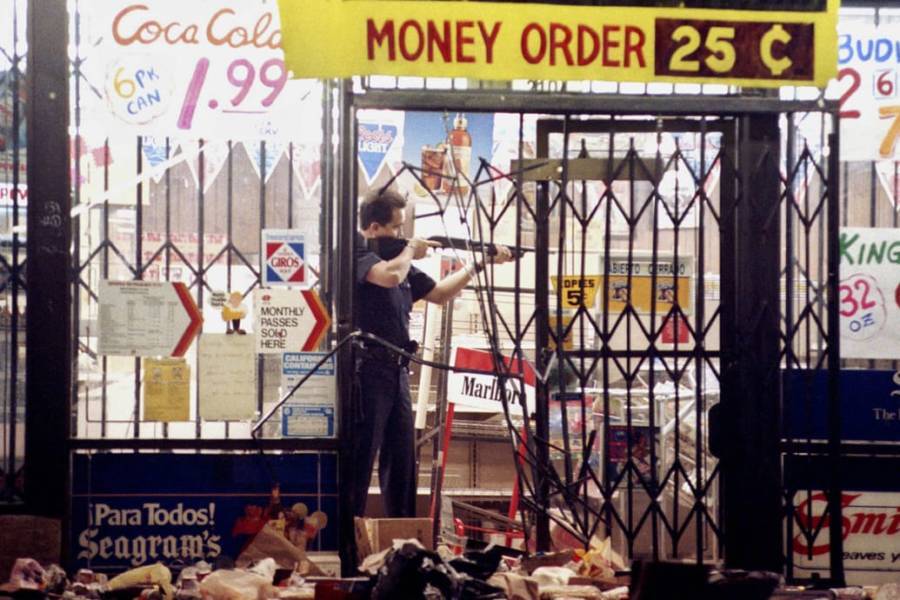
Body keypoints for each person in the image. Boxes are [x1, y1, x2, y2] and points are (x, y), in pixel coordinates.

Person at [352, 189, 512, 517]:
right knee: (359, 461)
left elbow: (439, 294)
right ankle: (347, 544)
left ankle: (405, 538)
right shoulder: (358, 253)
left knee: (402, 463)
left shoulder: (400, 261)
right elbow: (389, 276)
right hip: (366, 372)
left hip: (397, 370)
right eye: (396, 228)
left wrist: (477, 264)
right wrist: (411, 248)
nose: (402, 234)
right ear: (372, 228)